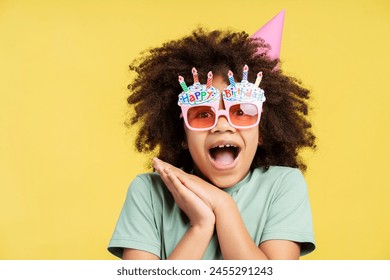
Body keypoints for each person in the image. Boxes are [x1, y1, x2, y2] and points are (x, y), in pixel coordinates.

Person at [107, 12, 316, 260]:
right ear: (181, 132)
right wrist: (201, 225)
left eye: (241, 111)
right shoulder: (149, 193)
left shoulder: (283, 185)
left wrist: (223, 206)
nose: (222, 125)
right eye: (203, 114)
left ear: (263, 130)